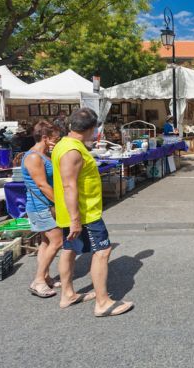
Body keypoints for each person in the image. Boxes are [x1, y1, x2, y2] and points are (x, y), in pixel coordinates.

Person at [52, 108, 133, 316]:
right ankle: (103, 302)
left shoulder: (64, 144)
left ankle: (68, 294)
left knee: (69, 250)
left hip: (70, 211)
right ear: (90, 129)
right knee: (103, 251)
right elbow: (70, 186)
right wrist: (76, 219)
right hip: (84, 212)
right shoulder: (73, 151)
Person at [22, 121, 63, 298]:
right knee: (57, 241)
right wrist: (61, 204)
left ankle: (45, 276)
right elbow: (42, 185)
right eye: (55, 138)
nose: (57, 141)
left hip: (43, 206)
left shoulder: (43, 154)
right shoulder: (34, 157)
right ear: (45, 138)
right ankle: (38, 280)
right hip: (40, 206)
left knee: (46, 243)